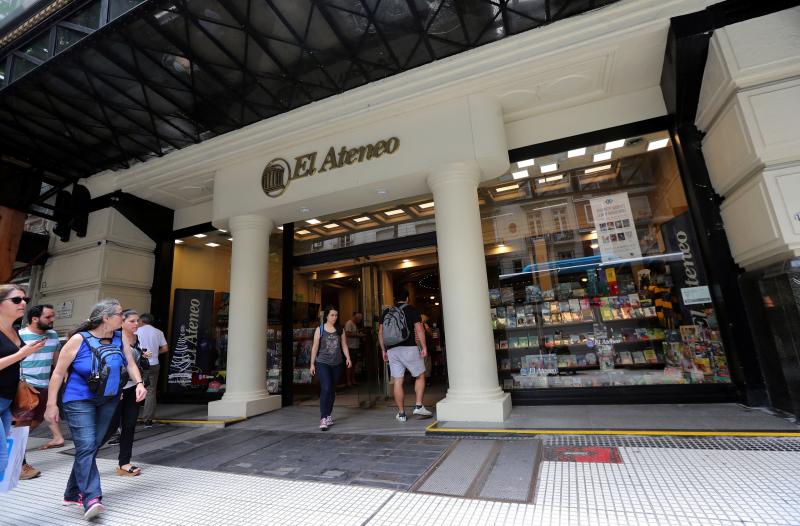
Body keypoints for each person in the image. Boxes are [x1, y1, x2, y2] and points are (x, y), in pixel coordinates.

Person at [44, 299, 146, 520]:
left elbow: (129, 362)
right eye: (120, 314)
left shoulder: (119, 338)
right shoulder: (78, 340)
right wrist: (51, 404)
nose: (123, 317)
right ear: (106, 318)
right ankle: (91, 497)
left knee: (90, 446)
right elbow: (58, 373)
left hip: (108, 400)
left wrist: (139, 383)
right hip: (79, 400)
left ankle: (72, 492)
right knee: (88, 445)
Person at [0, 285, 47, 485]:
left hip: (7, 400)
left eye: (24, 298)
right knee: (2, 458)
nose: (24, 303)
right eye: (16, 300)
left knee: (5, 461)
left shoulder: (13, 330)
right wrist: (21, 354)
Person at [16, 304, 65, 481]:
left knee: (34, 423)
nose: (52, 320)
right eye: (48, 317)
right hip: (24, 388)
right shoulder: (20, 336)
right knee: (20, 429)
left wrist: (64, 374)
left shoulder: (52, 336)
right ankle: (19, 465)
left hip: (44, 387)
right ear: (35, 319)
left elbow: (57, 361)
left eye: (53, 316)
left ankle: (12, 456)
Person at [103, 309, 151, 477]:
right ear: (121, 322)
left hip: (133, 388)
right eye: (131, 321)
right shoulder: (114, 339)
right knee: (108, 427)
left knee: (129, 425)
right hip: (116, 390)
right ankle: (86, 458)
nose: (136, 324)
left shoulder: (137, 339)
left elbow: (133, 363)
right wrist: (116, 388)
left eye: (137, 320)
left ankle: (124, 462)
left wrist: (143, 356)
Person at [378, 289, 433, 422]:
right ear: (407, 298)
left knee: (398, 380)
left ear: (395, 299)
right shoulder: (411, 309)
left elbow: (380, 332)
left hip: (392, 350)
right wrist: (424, 347)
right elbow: (419, 329)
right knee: (420, 376)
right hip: (409, 348)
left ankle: (401, 414)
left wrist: (383, 350)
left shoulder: (387, 312)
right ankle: (418, 406)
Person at [309, 306, 352, 431]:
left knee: (332, 390)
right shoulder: (320, 329)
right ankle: (323, 417)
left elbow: (344, 345)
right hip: (323, 363)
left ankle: (328, 414)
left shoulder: (340, 329)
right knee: (326, 387)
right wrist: (312, 364)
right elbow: (315, 347)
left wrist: (348, 358)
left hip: (337, 364)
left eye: (336, 315)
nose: (335, 317)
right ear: (326, 316)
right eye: (332, 315)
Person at [135, 313, 167, 427]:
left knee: (133, 389)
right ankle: (148, 420)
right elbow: (165, 348)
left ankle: (131, 416)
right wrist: (153, 353)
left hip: (138, 364)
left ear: (142, 321)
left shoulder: (136, 331)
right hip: (153, 364)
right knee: (150, 391)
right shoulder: (158, 332)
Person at [344, 312, 363, 387]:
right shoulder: (349, 323)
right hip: (350, 347)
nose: (359, 321)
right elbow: (347, 334)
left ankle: (353, 380)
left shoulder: (354, 324)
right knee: (349, 365)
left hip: (355, 346)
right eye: (359, 319)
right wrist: (358, 335)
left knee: (354, 364)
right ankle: (348, 381)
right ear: (355, 318)